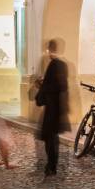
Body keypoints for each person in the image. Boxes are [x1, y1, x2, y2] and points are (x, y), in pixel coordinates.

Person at [35, 38, 70, 177]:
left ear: (49, 49)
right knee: (52, 137)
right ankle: (52, 165)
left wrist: (41, 86)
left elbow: (52, 86)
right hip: (58, 107)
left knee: (50, 138)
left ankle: (51, 166)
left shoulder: (54, 64)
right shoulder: (63, 65)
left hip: (52, 107)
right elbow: (61, 85)